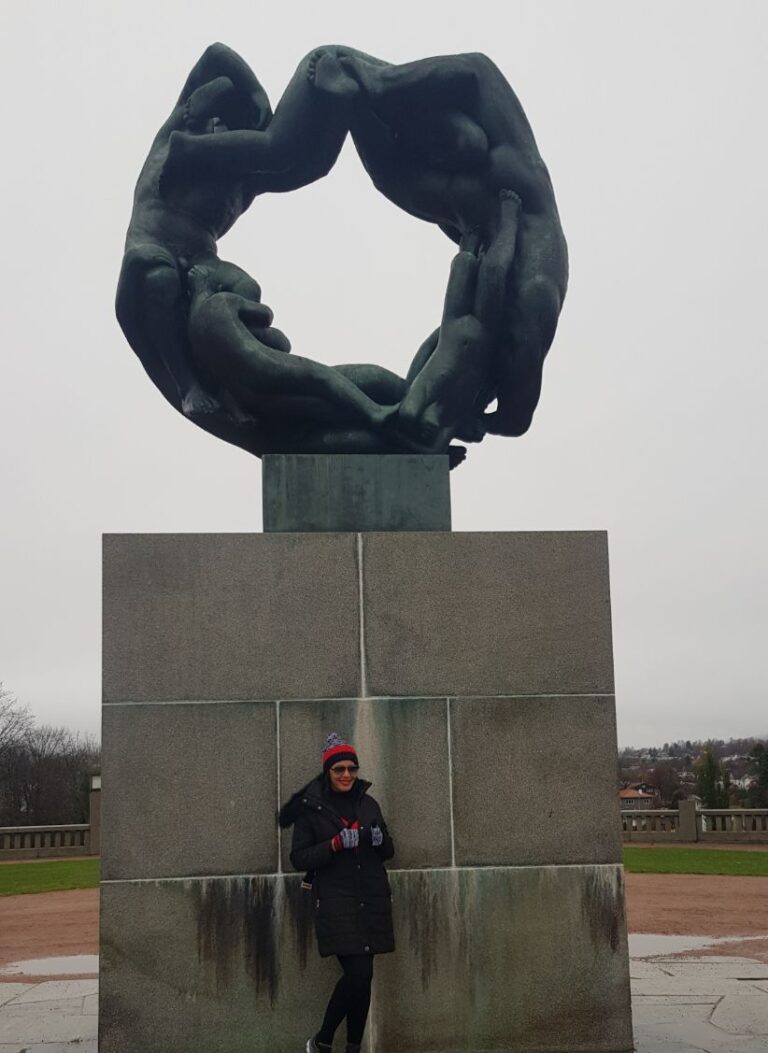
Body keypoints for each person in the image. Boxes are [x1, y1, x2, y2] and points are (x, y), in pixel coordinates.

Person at [278, 732, 395, 1053]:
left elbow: (388, 851)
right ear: (328, 772)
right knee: (358, 973)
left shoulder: (369, 804)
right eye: (339, 769)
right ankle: (322, 1040)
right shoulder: (311, 810)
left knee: (364, 977)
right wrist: (334, 844)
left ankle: (351, 1047)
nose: (346, 775)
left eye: (351, 768)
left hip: (371, 899)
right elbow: (299, 857)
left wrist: (377, 837)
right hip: (336, 901)